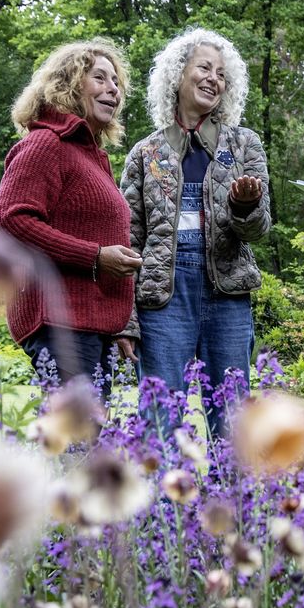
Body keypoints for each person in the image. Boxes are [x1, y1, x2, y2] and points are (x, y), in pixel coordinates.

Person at [119, 27, 271, 433]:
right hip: (163, 299)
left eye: (221, 74)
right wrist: (126, 320)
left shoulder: (244, 145)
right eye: (204, 68)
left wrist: (244, 207)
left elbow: (259, 229)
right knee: (160, 419)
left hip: (227, 294)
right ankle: (162, 482)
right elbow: (128, 240)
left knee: (233, 421)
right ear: (177, 74)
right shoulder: (145, 153)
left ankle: (231, 481)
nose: (213, 79)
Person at [0, 39, 143, 388]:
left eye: (116, 82)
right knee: (77, 424)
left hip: (91, 325)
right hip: (61, 322)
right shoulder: (46, 143)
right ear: (69, 85)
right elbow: (10, 222)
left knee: (86, 425)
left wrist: (118, 321)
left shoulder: (92, 157)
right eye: (100, 78)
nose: (113, 89)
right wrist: (95, 257)